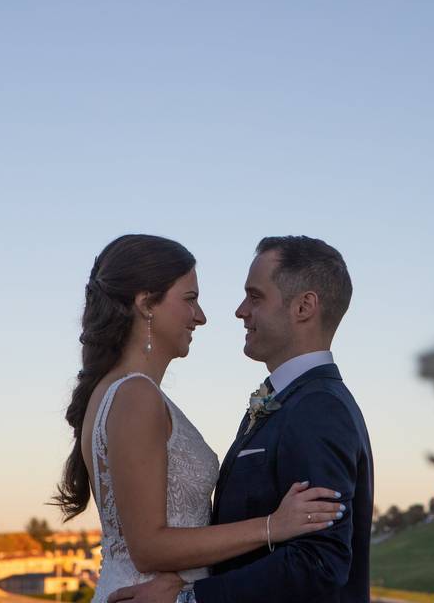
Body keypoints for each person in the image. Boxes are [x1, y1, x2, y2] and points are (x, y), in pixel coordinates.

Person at [52, 234, 344, 603]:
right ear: (146, 304)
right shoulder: (135, 395)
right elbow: (148, 547)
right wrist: (273, 526)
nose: (201, 316)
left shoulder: (118, 391)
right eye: (190, 299)